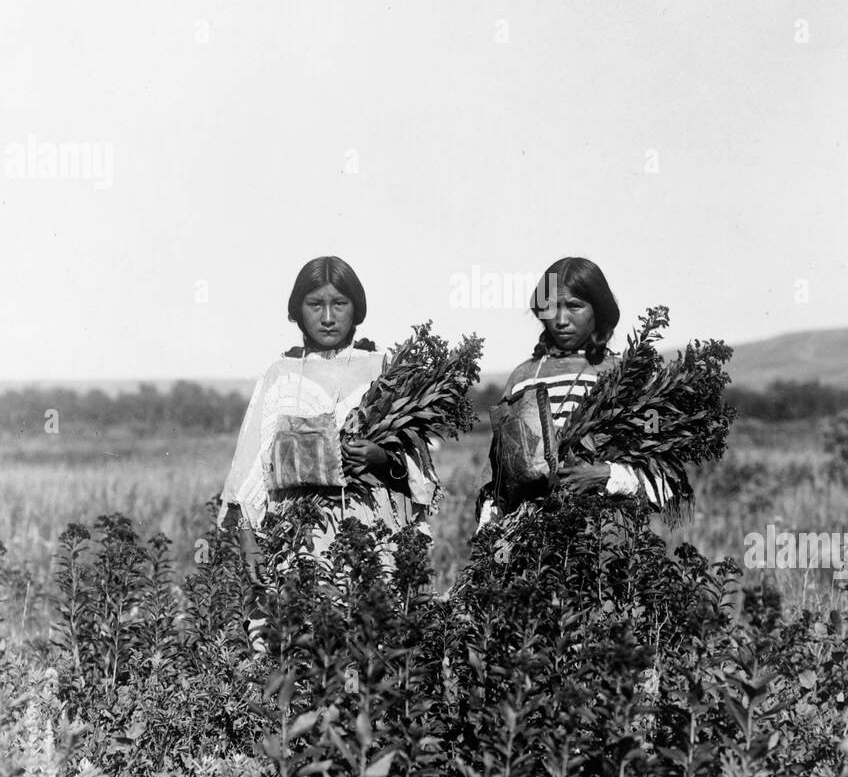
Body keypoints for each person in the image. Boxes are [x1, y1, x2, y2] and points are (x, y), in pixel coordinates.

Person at [218, 256, 438, 647]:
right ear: (297, 310)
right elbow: (248, 469)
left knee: (371, 643)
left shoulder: (385, 369)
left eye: (339, 304)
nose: (327, 317)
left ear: (357, 308)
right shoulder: (280, 375)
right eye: (314, 304)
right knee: (299, 643)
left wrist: (379, 457)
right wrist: (248, 539)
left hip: (370, 527)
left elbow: (420, 470)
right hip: (297, 533)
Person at [476, 256, 669, 535]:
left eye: (575, 306)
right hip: (530, 539)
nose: (561, 320)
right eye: (551, 307)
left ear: (599, 311)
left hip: (607, 536)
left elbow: (662, 477)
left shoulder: (628, 379)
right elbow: (498, 479)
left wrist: (605, 475)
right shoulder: (522, 378)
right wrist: (488, 538)